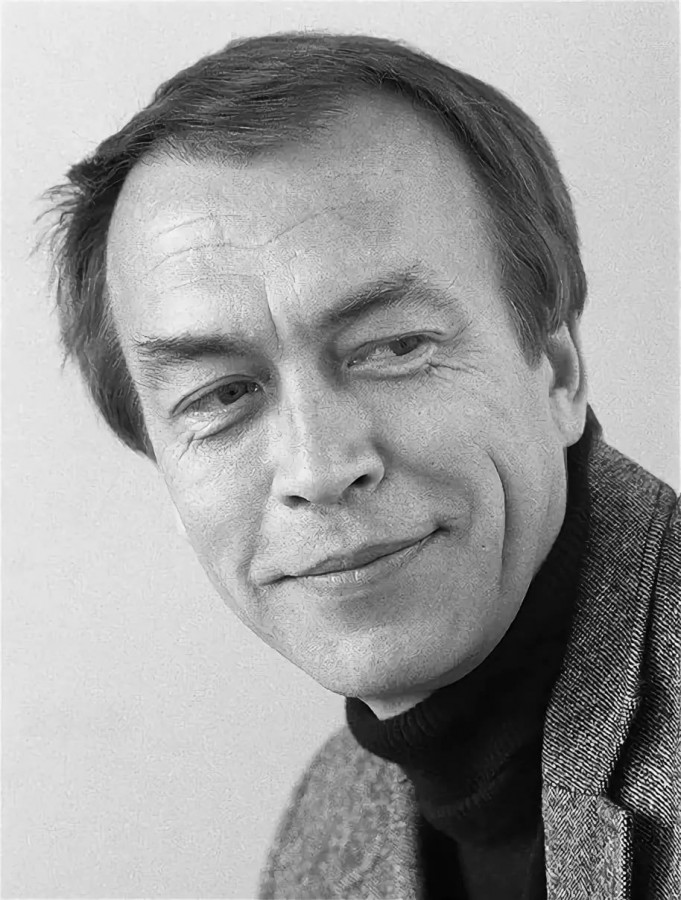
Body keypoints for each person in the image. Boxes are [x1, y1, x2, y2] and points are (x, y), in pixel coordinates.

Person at [40, 30, 679, 900]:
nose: (319, 467)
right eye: (221, 395)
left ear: (556, 370)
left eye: (394, 347)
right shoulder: (324, 827)